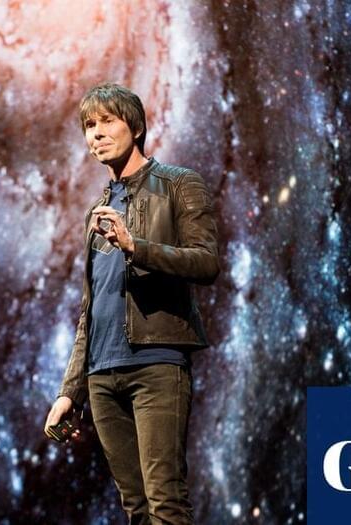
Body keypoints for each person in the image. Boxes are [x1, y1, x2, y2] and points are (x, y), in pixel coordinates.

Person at [44, 82, 221, 524]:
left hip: (155, 365)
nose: (97, 134)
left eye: (107, 121)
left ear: (136, 127)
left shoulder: (178, 184)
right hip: (102, 377)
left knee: (165, 501)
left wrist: (135, 246)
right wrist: (70, 391)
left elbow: (206, 262)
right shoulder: (97, 211)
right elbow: (90, 310)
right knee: (136, 509)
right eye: (89, 126)